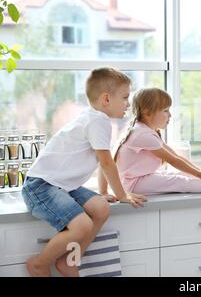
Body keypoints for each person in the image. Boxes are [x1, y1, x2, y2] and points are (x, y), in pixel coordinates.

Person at [21, 67, 148, 277]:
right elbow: (107, 163)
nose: (128, 103)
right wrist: (123, 195)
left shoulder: (96, 119)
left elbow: (101, 160)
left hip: (63, 185)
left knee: (101, 208)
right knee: (82, 226)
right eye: (125, 97)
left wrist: (103, 192)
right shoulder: (97, 121)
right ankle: (39, 263)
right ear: (106, 99)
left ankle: (70, 259)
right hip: (41, 186)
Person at [100, 88, 201, 196]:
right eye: (165, 110)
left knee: (178, 174)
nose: (170, 115)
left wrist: (199, 172)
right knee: (178, 180)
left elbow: (174, 155)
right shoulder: (141, 134)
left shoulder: (146, 131)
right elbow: (172, 159)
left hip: (136, 179)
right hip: (132, 184)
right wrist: (198, 173)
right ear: (146, 112)